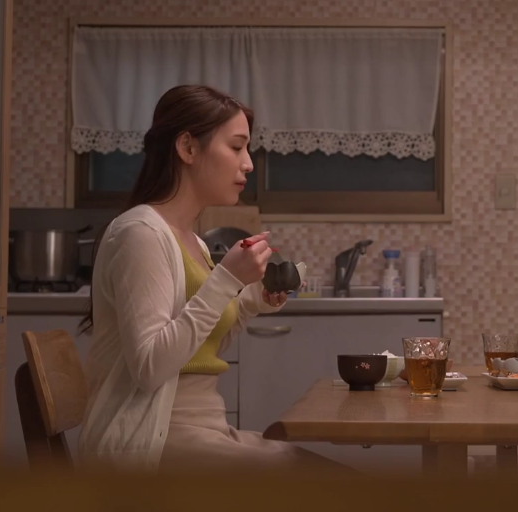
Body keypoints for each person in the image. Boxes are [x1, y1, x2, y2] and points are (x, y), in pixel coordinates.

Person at [76, 84, 350, 474]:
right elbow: (151, 367)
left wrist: (249, 300)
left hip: (203, 431)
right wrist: (224, 282)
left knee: (335, 476)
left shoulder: (194, 243)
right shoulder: (140, 234)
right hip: (149, 441)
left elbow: (198, 351)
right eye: (236, 147)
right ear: (188, 148)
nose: (249, 164)